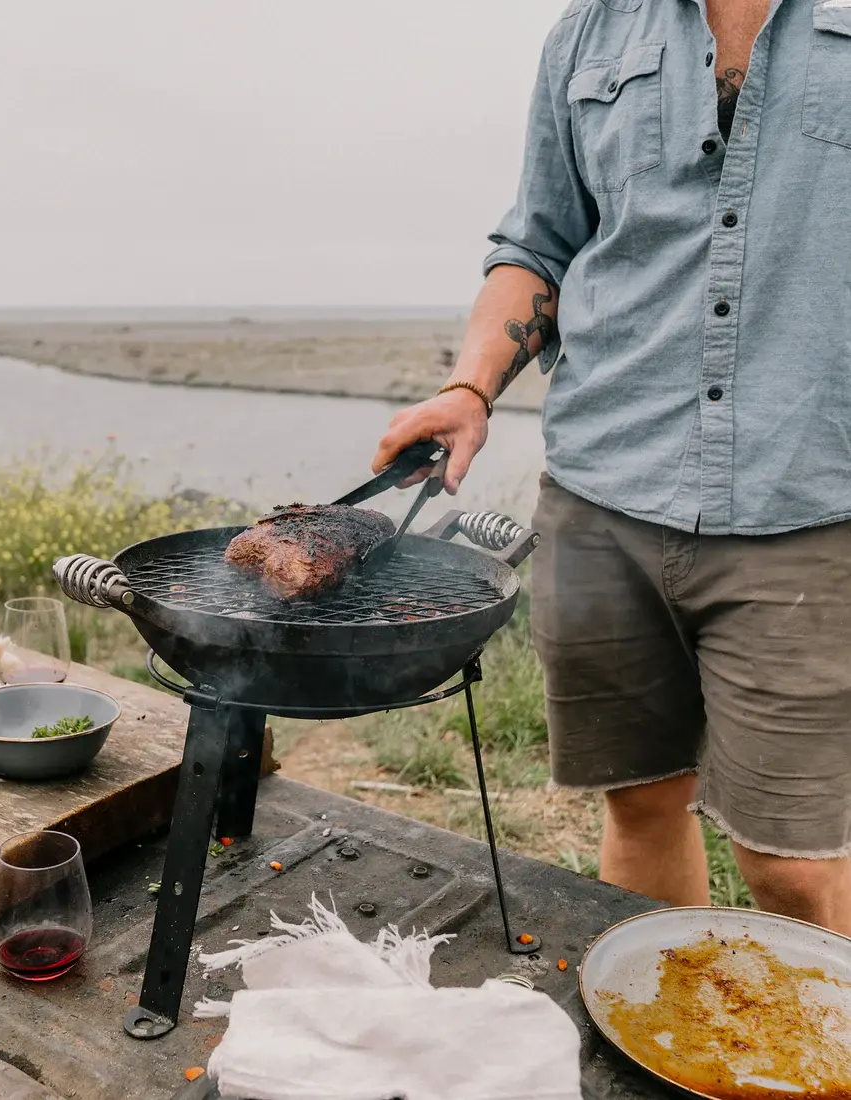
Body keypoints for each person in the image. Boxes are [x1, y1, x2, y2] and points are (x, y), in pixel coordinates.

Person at [373, 0, 851, 934]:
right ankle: (672, 1014)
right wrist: (469, 390)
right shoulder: (589, 33)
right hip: (600, 497)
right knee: (639, 802)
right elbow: (538, 244)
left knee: (793, 864)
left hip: (807, 504)